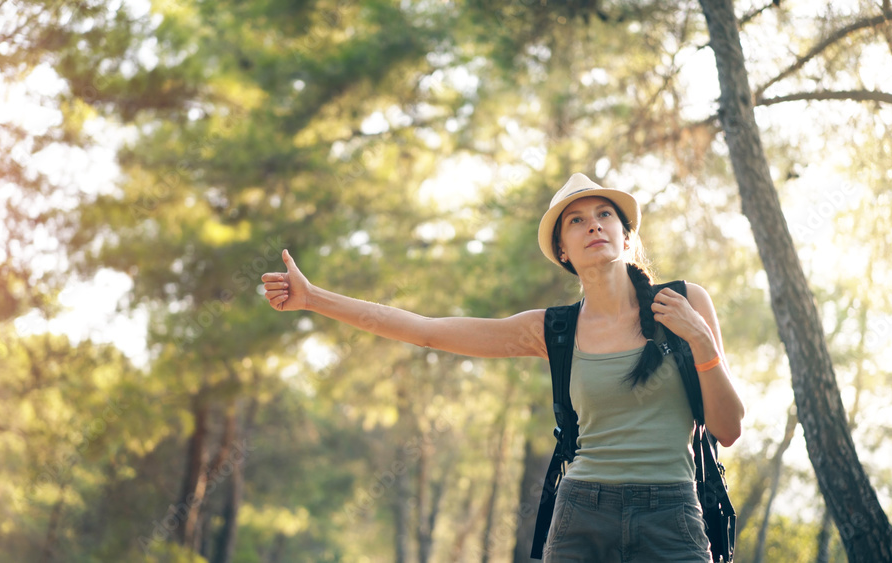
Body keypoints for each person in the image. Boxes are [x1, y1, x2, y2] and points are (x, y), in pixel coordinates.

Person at [261, 172, 745, 562]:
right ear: (563, 250)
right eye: (576, 221)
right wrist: (313, 298)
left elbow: (728, 429)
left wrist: (701, 339)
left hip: (672, 515)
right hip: (582, 514)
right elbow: (427, 330)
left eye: (604, 215)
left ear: (625, 234)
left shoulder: (685, 303)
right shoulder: (554, 330)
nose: (594, 226)